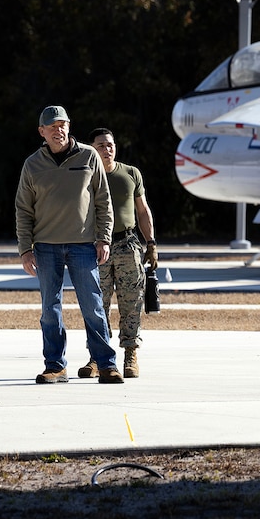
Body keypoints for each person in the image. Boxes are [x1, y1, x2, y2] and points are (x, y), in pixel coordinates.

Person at [15, 105, 123, 384]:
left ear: (69, 126)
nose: (58, 130)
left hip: (84, 245)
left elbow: (103, 201)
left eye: (62, 125)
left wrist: (104, 237)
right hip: (46, 247)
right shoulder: (32, 164)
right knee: (50, 309)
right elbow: (23, 209)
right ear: (42, 132)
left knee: (93, 306)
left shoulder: (89, 156)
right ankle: (55, 366)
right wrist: (25, 249)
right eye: (52, 127)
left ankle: (107, 364)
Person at [77, 128, 159, 380]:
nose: (107, 149)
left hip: (127, 244)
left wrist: (151, 243)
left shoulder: (130, 173)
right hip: (96, 246)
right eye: (100, 145)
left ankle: (130, 355)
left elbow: (142, 210)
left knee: (131, 302)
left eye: (110, 144)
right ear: (92, 148)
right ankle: (97, 357)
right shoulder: (86, 175)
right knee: (96, 305)